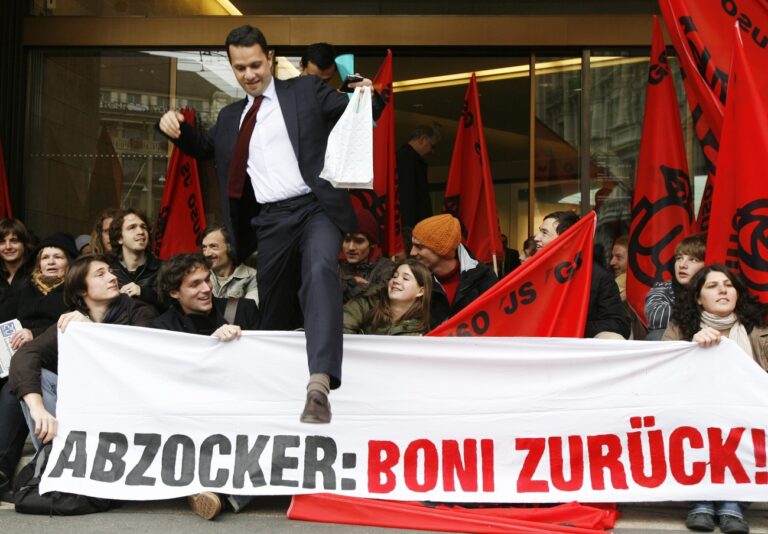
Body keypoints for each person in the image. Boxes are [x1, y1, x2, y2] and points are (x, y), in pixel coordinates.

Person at [157, 24, 384, 424]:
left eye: (256, 64)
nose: (249, 74)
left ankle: (320, 383)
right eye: (240, 67)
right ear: (232, 67)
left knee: (319, 270)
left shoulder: (306, 91)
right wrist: (176, 130)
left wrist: (369, 95)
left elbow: (358, 112)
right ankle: (266, 396)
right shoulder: (230, 117)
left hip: (315, 207)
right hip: (271, 221)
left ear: (271, 58)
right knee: (274, 310)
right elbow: (204, 148)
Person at [8, 254, 157, 448]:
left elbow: (135, 356)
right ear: (81, 289)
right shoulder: (72, 321)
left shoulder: (139, 311)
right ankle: (54, 455)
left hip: (129, 403)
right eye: (100, 274)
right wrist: (38, 409)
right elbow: (25, 355)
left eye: (111, 272)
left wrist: (92, 332)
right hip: (86, 403)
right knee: (39, 378)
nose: (112, 277)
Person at [152, 253, 259, 520]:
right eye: (195, 284)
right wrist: (208, 349)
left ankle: (214, 496)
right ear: (174, 292)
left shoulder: (242, 310)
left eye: (207, 280)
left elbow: (264, 360)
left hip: (241, 407)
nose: (206, 289)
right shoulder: (162, 328)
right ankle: (218, 495)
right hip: (191, 413)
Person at [663, 265, 767, 534]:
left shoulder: (760, 330)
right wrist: (689, 350)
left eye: (728, 285)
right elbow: (661, 377)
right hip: (694, 415)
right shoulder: (680, 329)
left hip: (748, 416)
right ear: (698, 298)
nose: (722, 289)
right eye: (712, 286)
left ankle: (734, 505)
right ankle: (702, 501)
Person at [533, 211, 630, 339]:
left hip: (577, 347)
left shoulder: (597, 277)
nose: (536, 238)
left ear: (566, 240)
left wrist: (572, 327)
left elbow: (618, 324)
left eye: (544, 233)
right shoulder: (532, 273)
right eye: (540, 231)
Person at [410, 214, 497, 328]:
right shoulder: (412, 277)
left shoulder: (484, 279)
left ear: (441, 250)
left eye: (419, 247)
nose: (412, 252)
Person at [0, 232, 78, 350]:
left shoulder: (76, 290)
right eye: (45, 257)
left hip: (57, 352)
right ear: (39, 264)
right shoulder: (25, 288)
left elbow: (73, 328)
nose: (51, 262)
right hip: (17, 350)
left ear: (69, 262)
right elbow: (4, 316)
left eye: (58, 257)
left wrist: (34, 334)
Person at [343, 258, 431, 335]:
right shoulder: (367, 302)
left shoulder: (420, 332)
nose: (396, 280)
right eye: (394, 276)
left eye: (405, 278)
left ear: (420, 291)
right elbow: (341, 328)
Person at [644, 233, 706, 340]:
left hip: (709, 342)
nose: (682, 265)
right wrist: (704, 311)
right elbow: (656, 317)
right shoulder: (664, 288)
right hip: (673, 342)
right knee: (658, 334)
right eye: (679, 258)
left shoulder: (714, 288)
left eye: (693, 260)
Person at [108, 208, 162, 310]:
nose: (141, 231)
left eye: (143, 227)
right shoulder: (108, 271)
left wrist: (143, 292)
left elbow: (173, 305)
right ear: (120, 238)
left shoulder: (163, 269)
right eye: (132, 227)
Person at [339, 207, 395, 303]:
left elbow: (377, 297)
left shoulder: (387, 269)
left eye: (359, 241)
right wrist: (352, 282)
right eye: (347, 240)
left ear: (372, 243)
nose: (351, 247)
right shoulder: (334, 266)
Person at [199, 224, 259, 303]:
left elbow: (246, 312)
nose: (207, 253)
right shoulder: (199, 276)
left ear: (230, 247)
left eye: (213, 246)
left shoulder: (251, 277)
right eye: (204, 247)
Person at [396, 124, 440, 230]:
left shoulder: (405, 157)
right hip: (413, 225)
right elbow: (407, 195)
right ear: (423, 139)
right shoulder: (408, 159)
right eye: (432, 146)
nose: (432, 151)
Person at [0, 218, 34, 303]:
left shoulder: (36, 274)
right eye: (2, 242)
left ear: (24, 243)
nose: (8, 247)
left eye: (14, 241)